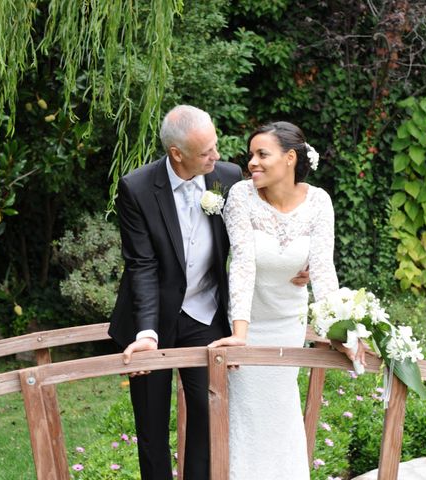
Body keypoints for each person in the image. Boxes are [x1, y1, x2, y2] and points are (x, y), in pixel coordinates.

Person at [108, 106, 309, 480]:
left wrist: (300, 260)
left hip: (205, 315)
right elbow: (142, 266)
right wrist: (147, 334)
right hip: (149, 323)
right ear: (177, 154)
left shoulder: (228, 178)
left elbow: (281, 212)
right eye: (206, 153)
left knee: (208, 413)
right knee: (151, 425)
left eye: (216, 147)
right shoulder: (136, 188)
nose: (217, 157)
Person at [209, 121, 366, 479]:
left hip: (287, 325)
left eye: (262, 154)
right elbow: (243, 265)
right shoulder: (241, 196)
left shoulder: (319, 202)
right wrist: (240, 333)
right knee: (248, 420)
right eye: (251, 155)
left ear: (290, 158)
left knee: (281, 416)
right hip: (248, 326)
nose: (252, 162)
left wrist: (336, 331)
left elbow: (324, 271)